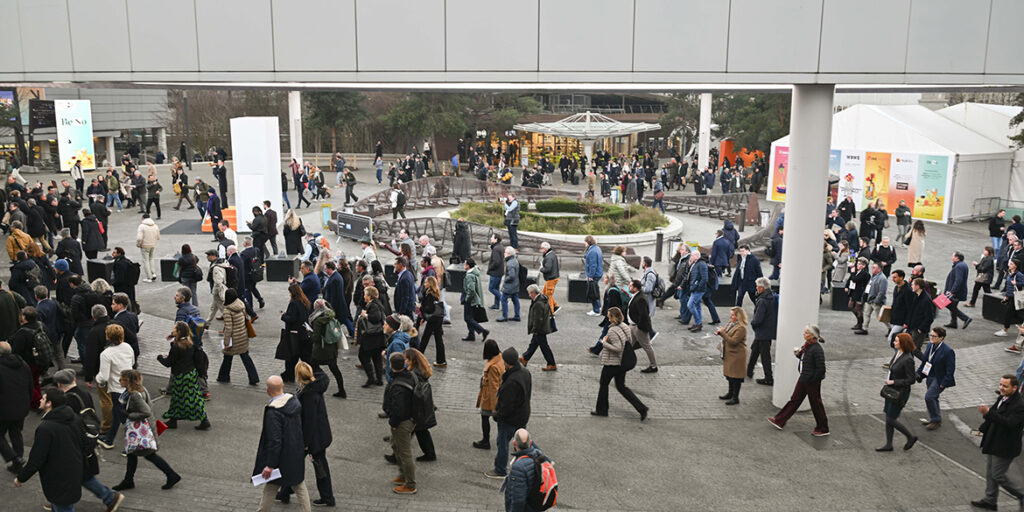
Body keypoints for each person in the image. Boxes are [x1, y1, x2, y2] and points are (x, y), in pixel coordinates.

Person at [13, 387, 85, 512]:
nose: (40, 399)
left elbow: (36, 459)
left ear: (49, 403)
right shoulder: (74, 417)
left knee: (63, 507)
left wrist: (21, 478)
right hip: (73, 471)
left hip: (57, 477)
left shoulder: (46, 428)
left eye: (43, 398)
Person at [111, 370, 181, 492]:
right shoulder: (139, 390)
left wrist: (129, 415)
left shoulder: (133, 395)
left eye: (121, 379)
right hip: (144, 427)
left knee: (149, 454)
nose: (119, 381)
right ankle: (128, 480)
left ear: (128, 381)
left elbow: (146, 411)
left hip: (141, 429)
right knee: (132, 453)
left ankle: (171, 475)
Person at [253, 375, 311, 511]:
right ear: (283, 387)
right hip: (295, 453)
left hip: (281, 459)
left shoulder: (273, 412)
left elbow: (275, 440)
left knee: (270, 488)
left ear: (267, 389)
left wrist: (270, 465)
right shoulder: (294, 403)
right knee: (299, 486)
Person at [970, 374, 1024, 510]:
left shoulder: (1019, 405)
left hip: (1005, 446)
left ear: (1015, 387)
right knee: (990, 473)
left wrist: (989, 413)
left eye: (1005, 386)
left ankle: (1021, 494)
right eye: (1000, 385)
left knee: (998, 475)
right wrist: (981, 429)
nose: (1001, 388)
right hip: (994, 441)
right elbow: (992, 416)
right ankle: (990, 500)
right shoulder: (1002, 398)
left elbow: (1009, 423)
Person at [768, 325, 829, 436]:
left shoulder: (816, 349)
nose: (804, 334)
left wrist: (811, 379)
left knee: (816, 403)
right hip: (804, 378)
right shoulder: (807, 346)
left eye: (806, 333)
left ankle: (823, 428)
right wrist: (798, 355)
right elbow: (805, 359)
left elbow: (821, 369)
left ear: (812, 335)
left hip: (810, 381)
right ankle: (780, 420)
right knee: (795, 400)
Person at [592, 307, 648, 419]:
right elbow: (630, 342)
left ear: (612, 317)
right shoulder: (625, 326)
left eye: (609, 316)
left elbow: (618, 348)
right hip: (623, 363)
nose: (607, 318)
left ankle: (602, 410)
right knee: (621, 386)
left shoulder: (612, 331)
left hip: (613, 362)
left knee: (604, 384)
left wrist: (604, 343)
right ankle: (641, 408)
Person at [485, 347, 531, 479]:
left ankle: (500, 469)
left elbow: (507, 406)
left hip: (510, 419)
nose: (502, 364)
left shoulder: (511, 381)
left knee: (503, 443)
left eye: (504, 361)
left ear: (508, 363)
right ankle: (525, 468)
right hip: (523, 415)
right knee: (522, 443)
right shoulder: (525, 373)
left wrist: (497, 415)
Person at [294, 362, 335, 507]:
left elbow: (309, 421)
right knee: (316, 464)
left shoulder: (309, 395)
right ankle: (327, 496)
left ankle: (328, 497)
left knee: (315, 465)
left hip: (313, 439)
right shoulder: (314, 387)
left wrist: (305, 443)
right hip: (320, 435)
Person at [157, 321, 210, 430]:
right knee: (190, 398)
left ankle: (204, 420)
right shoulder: (189, 343)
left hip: (180, 376)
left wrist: (160, 357)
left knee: (182, 398)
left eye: (175, 329)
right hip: (190, 374)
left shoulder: (176, 347)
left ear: (179, 331)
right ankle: (174, 419)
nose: (173, 330)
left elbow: (168, 363)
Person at [382, 352, 418, 494]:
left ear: (391, 365)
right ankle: (403, 475)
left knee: (405, 453)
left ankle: (410, 484)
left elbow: (398, 409)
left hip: (403, 422)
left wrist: (394, 423)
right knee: (396, 445)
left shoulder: (398, 386)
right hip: (412, 418)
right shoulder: (410, 376)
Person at [877, 333, 919, 452]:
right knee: (888, 416)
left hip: (900, 392)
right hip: (892, 390)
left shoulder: (908, 359)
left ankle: (910, 437)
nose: (894, 342)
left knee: (891, 418)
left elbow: (911, 380)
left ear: (903, 344)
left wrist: (893, 382)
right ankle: (889, 444)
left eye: (896, 341)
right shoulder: (898, 354)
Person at [217, 288, 260, 385]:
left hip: (234, 339)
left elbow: (228, 328)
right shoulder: (240, 304)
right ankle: (254, 377)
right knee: (246, 357)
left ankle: (223, 377)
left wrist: (226, 343)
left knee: (227, 358)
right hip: (243, 336)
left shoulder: (227, 310)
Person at [0, 341, 31, 473]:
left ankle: (13, 457)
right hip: (21, 405)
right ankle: (18, 460)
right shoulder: (23, 364)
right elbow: (31, 386)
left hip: (4, 408)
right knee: (16, 433)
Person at [916, 326, 956, 430]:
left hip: (939, 378)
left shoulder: (948, 351)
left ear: (941, 338)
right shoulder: (930, 345)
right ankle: (936, 418)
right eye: (931, 335)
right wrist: (919, 373)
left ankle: (936, 420)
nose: (931, 338)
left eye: (934, 336)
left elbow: (950, 369)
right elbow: (925, 361)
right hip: (930, 375)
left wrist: (944, 382)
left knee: (929, 397)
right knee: (934, 398)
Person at [504, 429, 550, 512]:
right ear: (531, 442)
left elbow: (518, 499)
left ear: (514, 443)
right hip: (535, 504)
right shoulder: (538, 454)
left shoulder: (518, 466)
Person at [308, 299, 346, 398]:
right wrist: (325, 303)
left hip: (321, 350)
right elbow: (330, 308)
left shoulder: (317, 320)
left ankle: (315, 386)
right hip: (332, 349)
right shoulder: (330, 315)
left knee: (312, 366)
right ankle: (342, 390)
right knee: (335, 369)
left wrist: (309, 332)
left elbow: (315, 338)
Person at [473, 340, 505, 449]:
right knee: (500, 420)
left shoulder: (492, 367)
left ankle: (485, 441)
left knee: (485, 417)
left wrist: (494, 407)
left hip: (489, 397)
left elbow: (493, 388)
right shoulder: (500, 358)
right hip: (498, 395)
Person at [278, 284, 311, 383]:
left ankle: (289, 376)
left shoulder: (293, 303)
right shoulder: (304, 302)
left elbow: (292, 319)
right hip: (303, 333)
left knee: (291, 357)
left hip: (294, 334)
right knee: (302, 357)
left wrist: (283, 316)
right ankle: (306, 374)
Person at [716, 307, 748, 406]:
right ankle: (730, 393)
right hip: (730, 354)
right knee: (730, 375)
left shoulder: (741, 328)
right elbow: (725, 332)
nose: (731, 316)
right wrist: (720, 331)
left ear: (738, 316)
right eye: (731, 314)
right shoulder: (731, 323)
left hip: (737, 355)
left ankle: (735, 397)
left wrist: (722, 333)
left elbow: (733, 341)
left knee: (736, 377)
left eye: (733, 315)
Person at [521, 284, 556, 371]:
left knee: (544, 346)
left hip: (540, 329)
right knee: (534, 344)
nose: (529, 295)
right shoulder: (541, 299)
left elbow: (538, 319)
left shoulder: (538, 304)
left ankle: (551, 363)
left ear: (533, 293)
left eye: (529, 293)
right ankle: (525, 358)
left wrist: (535, 329)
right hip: (542, 327)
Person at [626, 279, 658, 373]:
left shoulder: (641, 299)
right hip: (632, 326)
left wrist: (638, 327)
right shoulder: (635, 296)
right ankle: (624, 361)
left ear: (635, 288)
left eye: (630, 286)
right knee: (629, 344)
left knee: (647, 346)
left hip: (638, 327)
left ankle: (653, 366)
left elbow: (644, 315)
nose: (629, 287)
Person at [418, 276, 446, 367]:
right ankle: (441, 360)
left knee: (425, 339)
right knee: (438, 339)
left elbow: (429, 309)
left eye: (426, 282)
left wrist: (420, 307)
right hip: (438, 318)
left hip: (433, 319)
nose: (424, 284)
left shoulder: (429, 294)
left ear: (430, 284)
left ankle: (418, 358)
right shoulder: (435, 293)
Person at [460, 259, 489, 342]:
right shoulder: (475, 273)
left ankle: (483, 331)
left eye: (465, 264)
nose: (463, 265)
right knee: (470, 317)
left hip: (471, 300)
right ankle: (471, 334)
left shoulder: (469, 275)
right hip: (475, 299)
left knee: (468, 318)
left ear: (468, 266)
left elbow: (471, 290)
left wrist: (467, 299)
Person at [943, 251, 972, 330]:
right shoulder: (962, 265)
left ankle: (965, 318)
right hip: (958, 291)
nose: (952, 257)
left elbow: (958, 280)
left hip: (956, 292)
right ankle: (953, 322)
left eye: (953, 256)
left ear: (957, 258)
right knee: (953, 306)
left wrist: (952, 291)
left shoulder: (959, 266)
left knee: (950, 305)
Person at [686, 250, 709, 332]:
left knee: (690, 305)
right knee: (698, 306)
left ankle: (698, 323)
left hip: (698, 290)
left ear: (696, 256)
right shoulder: (695, 263)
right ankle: (697, 323)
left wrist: (697, 287)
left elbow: (705, 278)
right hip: (694, 288)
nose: (690, 257)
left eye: (692, 255)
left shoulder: (701, 264)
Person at [496, 247, 521, 322]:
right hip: (516, 285)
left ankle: (504, 316)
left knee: (503, 299)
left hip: (509, 286)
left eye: (505, 252)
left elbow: (511, 276)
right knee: (515, 300)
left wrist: (505, 280)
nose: (504, 254)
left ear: (509, 254)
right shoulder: (515, 260)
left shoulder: (510, 263)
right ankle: (517, 315)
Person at [135, 214, 160, 282]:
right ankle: (153, 273)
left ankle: (149, 277)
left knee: (146, 260)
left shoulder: (141, 226)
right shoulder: (155, 225)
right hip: (152, 245)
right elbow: (158, 237)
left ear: (143, 218)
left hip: (145, 245)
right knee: (151, 258)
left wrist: (138, 244)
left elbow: (139, 238)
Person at [539, 242, 560, 314]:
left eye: (542, 248)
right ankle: (555, 306)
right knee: (545, 293)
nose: (541, 250)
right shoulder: (552, 254)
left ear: (545, 249)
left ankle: (551, 312)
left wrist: (541, 268)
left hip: (551, 278)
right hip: (553, 277)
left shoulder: (548, 257)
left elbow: (547, 269)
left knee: (548, 295)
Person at [487, 234, 504, 310]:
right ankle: (496, 305)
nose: (491, 238)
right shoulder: (500, 247)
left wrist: (490, 268)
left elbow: (496, 262)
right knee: (496, 288)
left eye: (492, 237)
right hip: (499, 272)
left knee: (491, 288)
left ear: (496, 239)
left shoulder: (496, 249)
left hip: (495, 272)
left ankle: (503, 300)